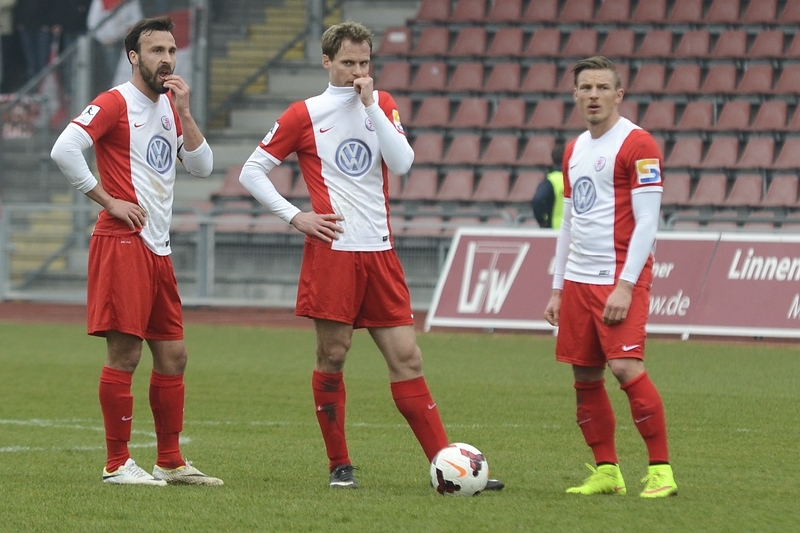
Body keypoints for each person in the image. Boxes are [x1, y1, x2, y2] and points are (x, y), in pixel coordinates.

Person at [238, 20, 503, 491]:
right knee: (333, 355)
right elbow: (252, 171)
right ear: (327, 62)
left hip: (380, 251)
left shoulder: (381, 104)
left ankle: (447, 468)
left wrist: (371, 106)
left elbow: (402, 163)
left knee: (408, 358)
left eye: (365, 62)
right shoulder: (304, 114)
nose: (358, 72)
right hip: (333, 253)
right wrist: (295, 217)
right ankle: (339, 464)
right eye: (348, 63)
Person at [50, 16, 222, 486]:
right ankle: (116, 463)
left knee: (174, 356)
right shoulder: (115, 102)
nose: (166, 59)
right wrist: (108, 201)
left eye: (171, 50)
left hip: (157, 248)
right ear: (133, 57)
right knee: (125, 354)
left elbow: (203, 167)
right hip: (122, 241)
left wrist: (186, 112)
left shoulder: (169, 107)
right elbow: (65, 149)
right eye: (155, 51)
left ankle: (170, 460)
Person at [543, 56, 677, 498]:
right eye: (586, 88)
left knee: (625, 366)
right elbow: (569, 222)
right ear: (575, 95)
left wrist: (626, 284)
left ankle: (661, 471)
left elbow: (648, 221)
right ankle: (607, 471)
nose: (594, 95)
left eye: (603, 88)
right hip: (578, 280)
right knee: (585, 376)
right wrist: (558, 288)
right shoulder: (574, 150)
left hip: (618, 276)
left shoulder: (638, 144)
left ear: (619, 94)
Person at [531, 140, 566, 229]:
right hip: (575, 231)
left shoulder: (551, 181)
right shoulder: (576, 178)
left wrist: (542, 221)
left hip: (555, 230)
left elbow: (538, 199)